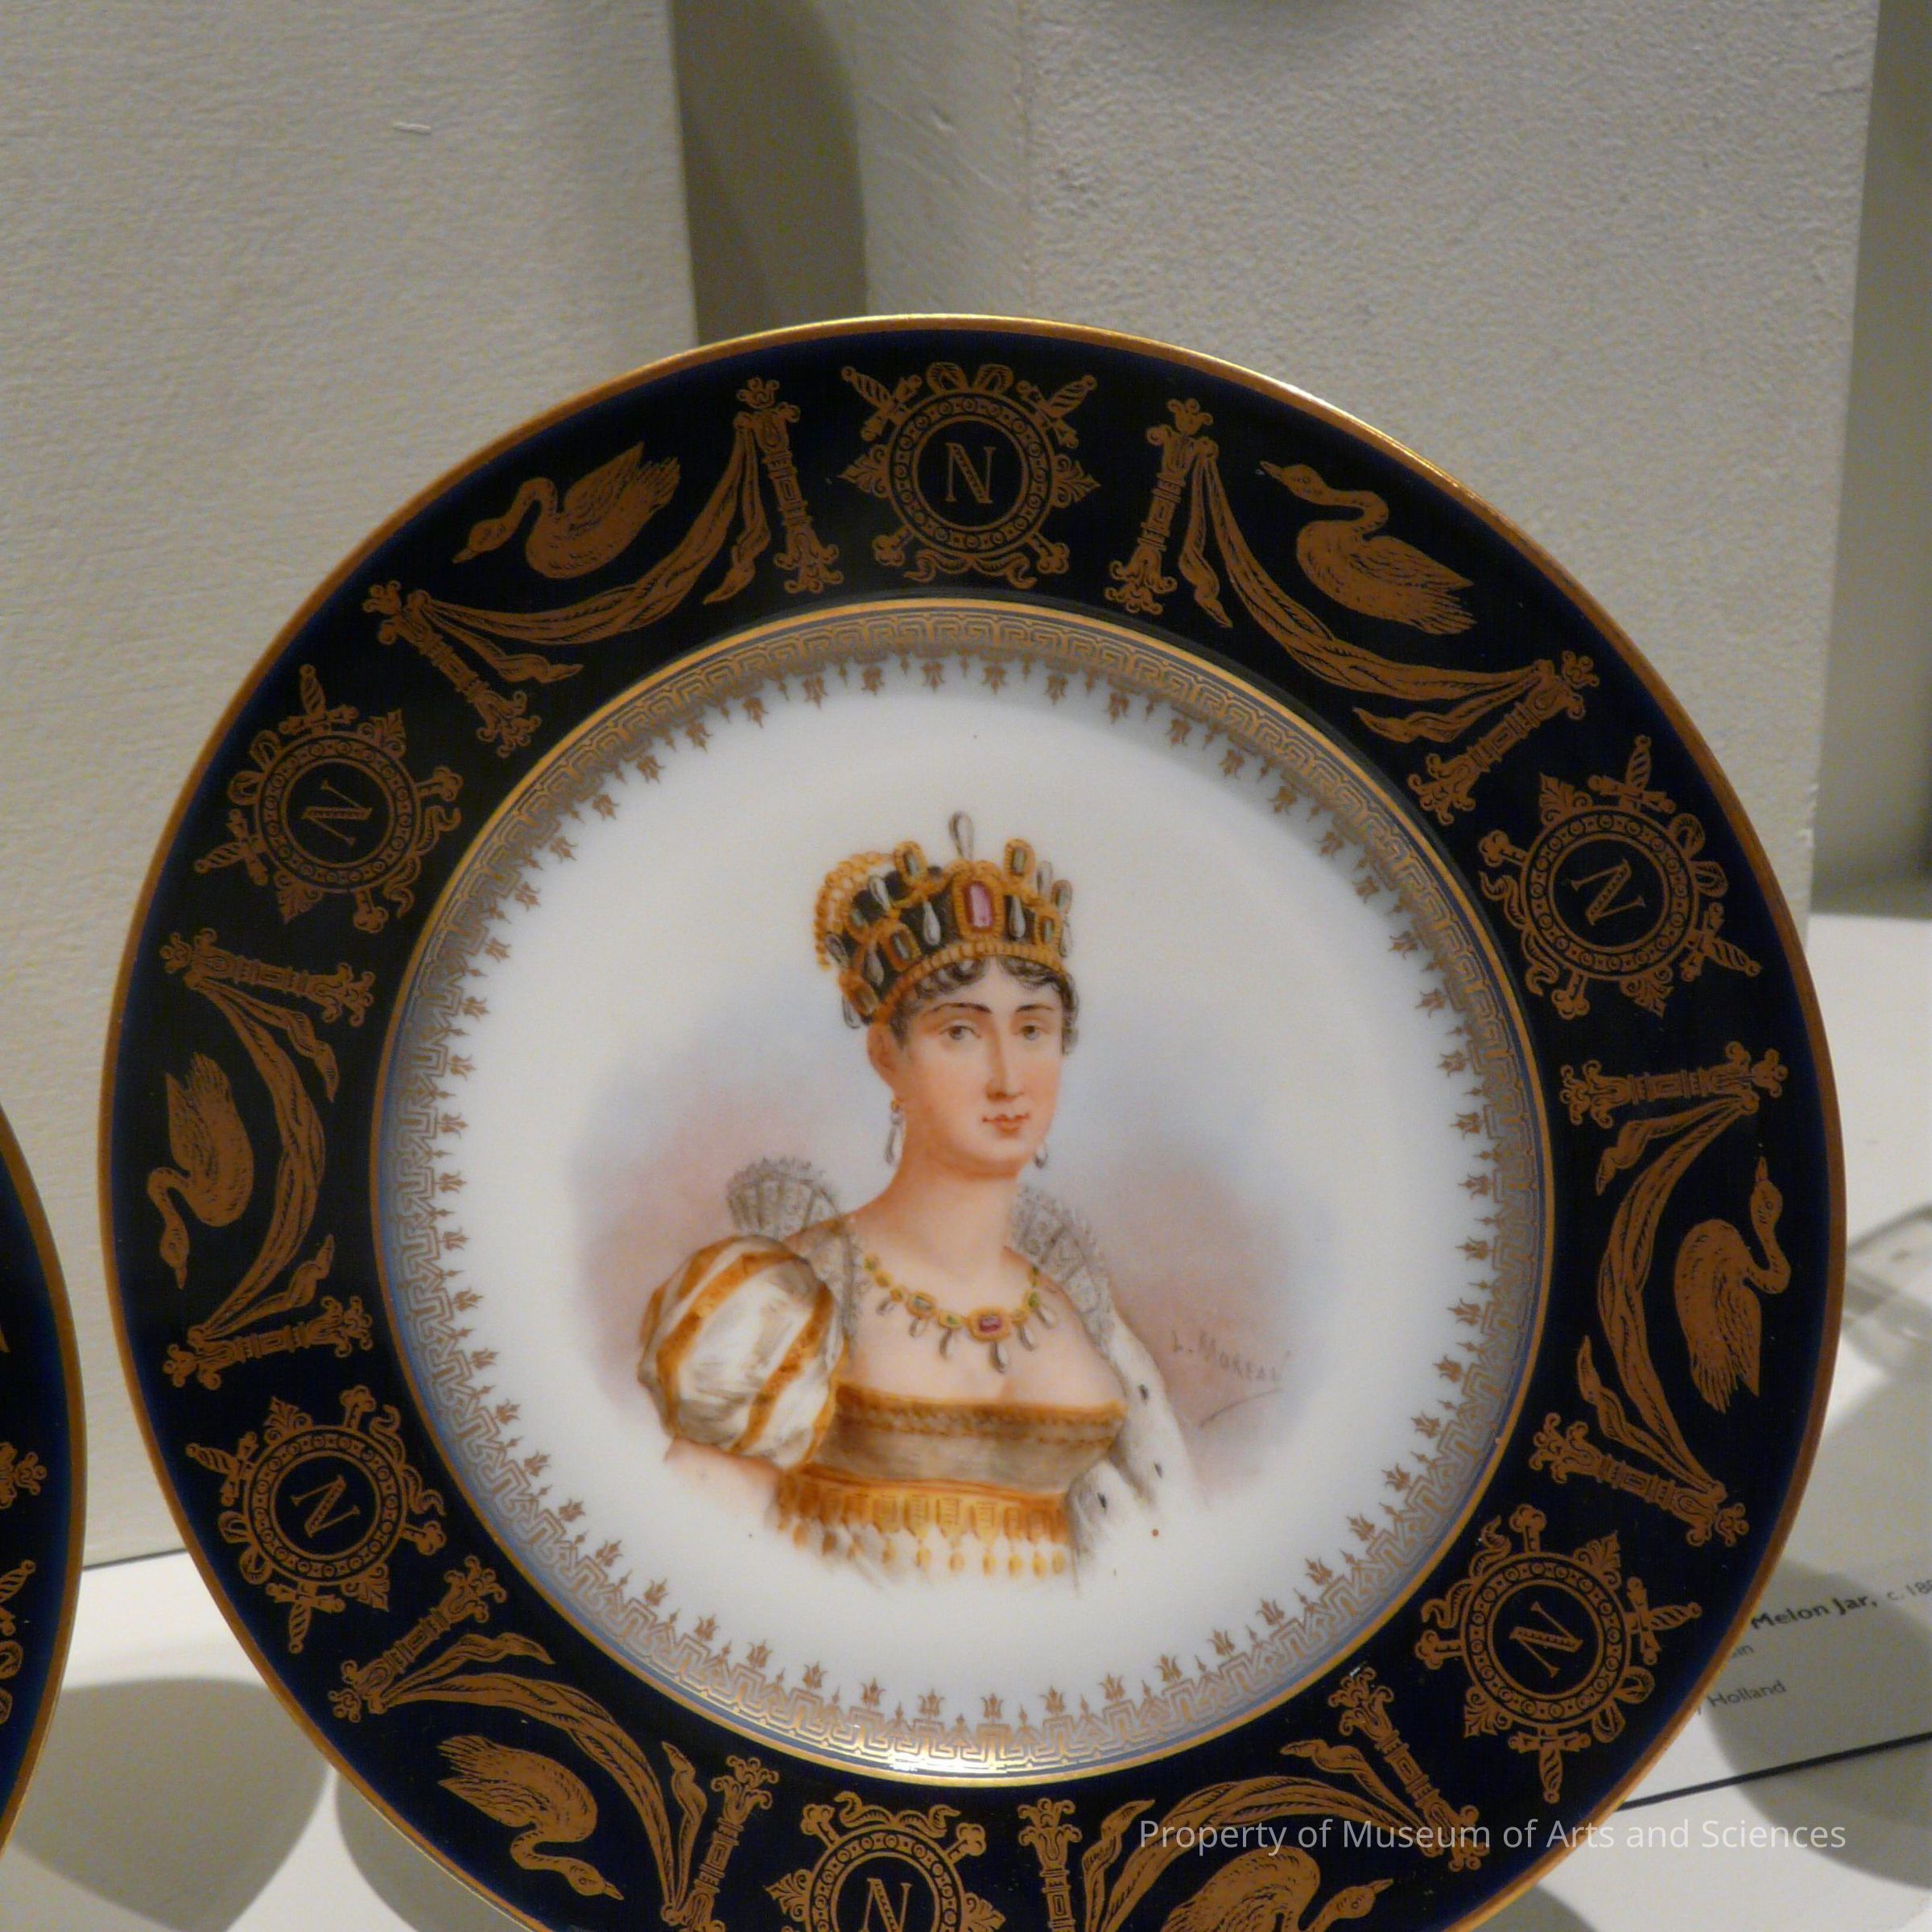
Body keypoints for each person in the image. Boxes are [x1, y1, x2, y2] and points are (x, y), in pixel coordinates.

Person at [638, 815, 1187, 1583]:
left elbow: (1163, 1568)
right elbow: (692, 1569)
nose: (1007, 1078)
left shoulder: (1086, 1319)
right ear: (887, 1056)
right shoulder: (788, 1296)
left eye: (1033, 1030)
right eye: (960, 1033)